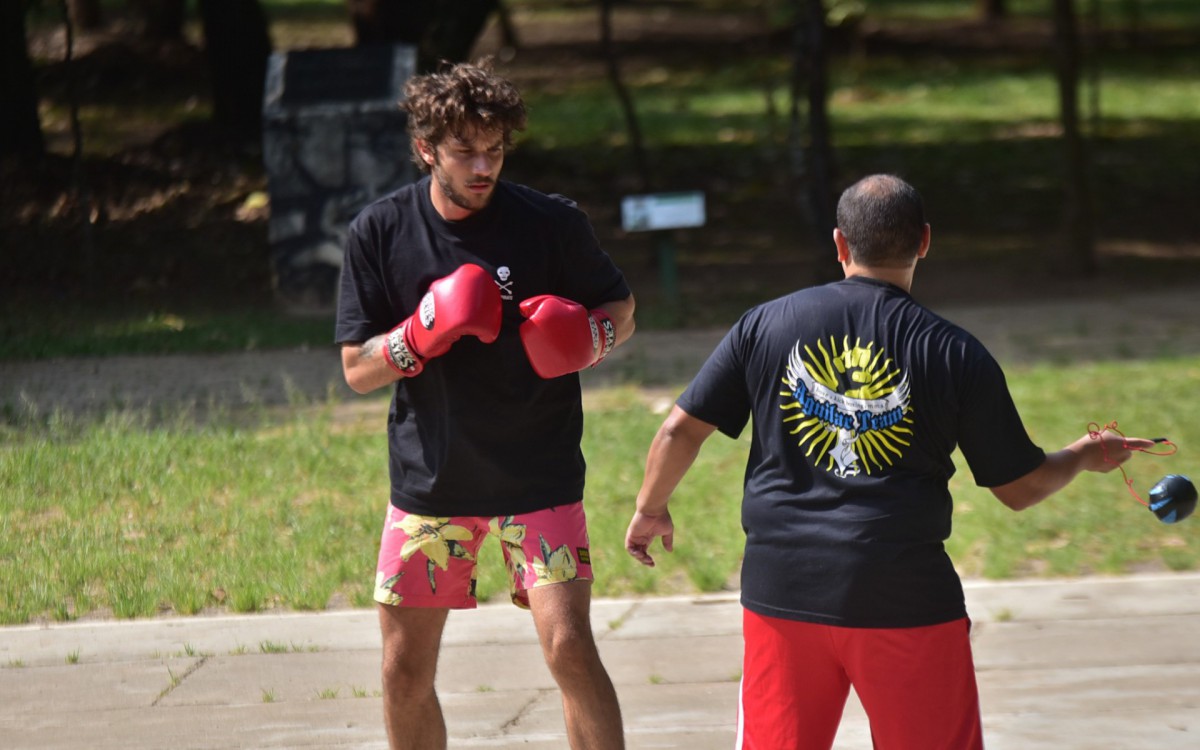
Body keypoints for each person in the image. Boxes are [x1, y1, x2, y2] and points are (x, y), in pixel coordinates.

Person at [623, 173, 1154, 749]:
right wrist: (1084, 455)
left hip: (784, 591)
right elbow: (1019, 488)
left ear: (839, 244)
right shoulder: (955, 352)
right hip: (905, 597)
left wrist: (651, 508)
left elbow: (679, 429)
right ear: (924, 241)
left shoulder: (766, 324)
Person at [336, 59, 633, 750]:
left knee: (568, 647)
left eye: (494, 150)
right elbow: (356, 368)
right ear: (425, 149)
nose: (482, 165)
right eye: (465, 150)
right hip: (432, 481)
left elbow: (621, 307)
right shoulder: (379, 232)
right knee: (403, 667)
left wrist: (589, 338)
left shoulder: (550, 222)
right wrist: (417, 335)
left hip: (539, 473)